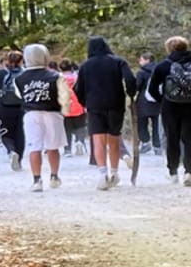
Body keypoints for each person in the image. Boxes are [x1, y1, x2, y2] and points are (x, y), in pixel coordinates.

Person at [76, 36, 136, 189]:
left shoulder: (85, 66)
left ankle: (103, 174)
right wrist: (131, 93)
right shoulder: (118, 61)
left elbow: (77, 88)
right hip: (115, 103)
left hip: (94, 105)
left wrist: (85, 102)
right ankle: (115, 173)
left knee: (98, 140)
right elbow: (130, 78)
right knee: (114, 138)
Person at [149, 37, 191, 187]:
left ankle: (173, 172)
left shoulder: (163, 66)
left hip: (170, 107)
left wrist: (163, 100)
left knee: (172, 139)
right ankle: (189, 172)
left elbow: (152, 89)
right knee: (190, 139)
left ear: (169, 48)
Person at [19, 43, 66, 191]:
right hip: (52, 113)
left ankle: (37, 180)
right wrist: (65, 111)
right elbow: (64, 96)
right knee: (53, 147)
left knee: (34, 147)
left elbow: (19, 96)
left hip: (31, 114)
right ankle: (54, 176)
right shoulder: (55, 76)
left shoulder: (20, 78)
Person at [0, 51, 26, 171]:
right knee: (19, 133)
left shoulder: (0, 74)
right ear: (22, 61)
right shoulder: (25, 74)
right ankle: (19, 160)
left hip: (4, 107)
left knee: (6, 133)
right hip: (21, 107)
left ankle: (11, 151)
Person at [132, 57, 160, 158]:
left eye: (141, 60)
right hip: (158, 101)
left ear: (147, 60)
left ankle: (145, 142)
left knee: (142, 123)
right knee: (157, 124)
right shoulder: (160, 70)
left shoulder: (141, 72)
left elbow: (137, 86)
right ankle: (158, 145)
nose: (140, 62)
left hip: (143, 101)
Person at [60, 60, 87, 157]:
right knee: (80, 127)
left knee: (66, 129)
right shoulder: (78, 77)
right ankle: (79, 141)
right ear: (72, 67)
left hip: (65, 107)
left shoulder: (58, 78)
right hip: (79, 105)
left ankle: (67, 150)